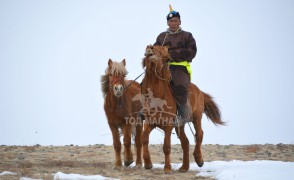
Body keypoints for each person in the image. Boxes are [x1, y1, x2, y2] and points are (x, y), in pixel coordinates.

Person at [154, 5, 197, 122]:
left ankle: (183, 115)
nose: (173, 23)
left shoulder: (187, 36)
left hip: (180, 68)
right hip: (163, 68)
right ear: (167, 23)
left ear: (180, 22)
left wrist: (170, 54)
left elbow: (192, 51)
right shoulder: (162, 37)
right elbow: (155, 50)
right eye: (171, 21)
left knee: (179, 86)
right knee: (148, 82)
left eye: (175, 21)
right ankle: (145, 110)